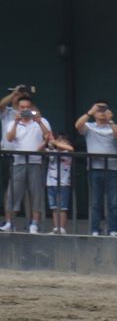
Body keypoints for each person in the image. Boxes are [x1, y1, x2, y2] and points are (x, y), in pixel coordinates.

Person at [2, 86, 50, 234]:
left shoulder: (41, 121)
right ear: (18, 108)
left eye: (28, 107)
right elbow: (9, 138)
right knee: (13, 193)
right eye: (22, 107)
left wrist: (39, 121)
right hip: (18, 161)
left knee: (36, 193)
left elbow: (48, 136)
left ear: (32, 107)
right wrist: (16, 122)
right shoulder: (12, 122)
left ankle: (34, 223)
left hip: (36, 162)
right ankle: (10, 222)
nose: (25, 110)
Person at [76, 100, 117, 237]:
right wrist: (89, 112)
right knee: (95, 202)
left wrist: (111, 121)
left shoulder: (114, 126)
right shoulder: (89, 126)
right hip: (94, 168)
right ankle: (95, 229)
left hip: (113, 168)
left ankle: (113, 229)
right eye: (99, 109)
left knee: (114, 202)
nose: (101, 112)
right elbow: (77, 126)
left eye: (104, 109)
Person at [44, 134, 75, 234]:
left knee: (62, 207)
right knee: (54, 207)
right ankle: (56, 227)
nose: (60, 142)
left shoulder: (67, 152)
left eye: (63, 141)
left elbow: (70, 148)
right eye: (59, 140)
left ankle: (62, 227)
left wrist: (56, 142)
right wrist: (46, 141)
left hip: (63, 183)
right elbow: (39, 150)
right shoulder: (52, 152)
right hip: (51, 182)